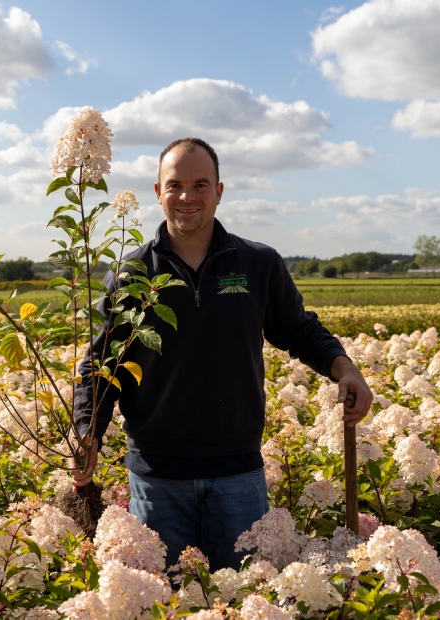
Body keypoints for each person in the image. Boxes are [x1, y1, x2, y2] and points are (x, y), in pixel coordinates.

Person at [72, 137, 373, 570]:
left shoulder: (257, 263)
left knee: (248, 594)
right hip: (157, 479)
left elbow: (299, 330)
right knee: (165, 602)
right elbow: (101, 366)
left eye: (200, 184)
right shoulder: (130, 274)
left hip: (239, 475)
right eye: (175, 185)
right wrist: (88, 431)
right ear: (158, 193)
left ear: (219, 191)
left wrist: (346, 369)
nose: (187, 197)